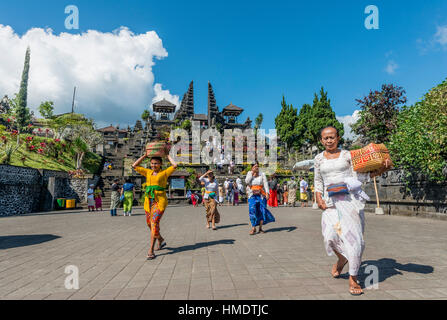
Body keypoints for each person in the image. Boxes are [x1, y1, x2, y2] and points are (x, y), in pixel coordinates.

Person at [314, 126, 390, 296]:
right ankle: (342, 258)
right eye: (325, 138)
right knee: (329, 237)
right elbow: (318, 180)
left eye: (332, 137)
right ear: (321, 140)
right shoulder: (318, 158)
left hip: (350, 202)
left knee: (354, 240)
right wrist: (318, 198)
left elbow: (361, 175)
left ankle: (353, 278)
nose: (329, 141)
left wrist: (381, 169)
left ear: (338, 138)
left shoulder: (348, 155)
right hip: (330, 203)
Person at [132, 150, 177, 260]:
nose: (153, 165)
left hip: (159, 202)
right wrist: (144, 155)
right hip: (149, 201)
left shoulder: (164, 173)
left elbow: (175, 165)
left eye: (156, 163)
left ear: (160, 164)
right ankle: (161, 240)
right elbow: (134, 165)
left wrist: (167, 155)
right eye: (152, 163)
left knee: (154, 222)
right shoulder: (147, 172)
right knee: (149, 224)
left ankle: (151, 250)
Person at [245, 162, 275, 235]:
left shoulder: (262, 174)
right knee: (252, 210)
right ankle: (253, 227)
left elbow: (265, 184)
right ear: (252, 167)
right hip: (252, 195)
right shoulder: (249, 173)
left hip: (261, 195)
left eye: (257, 166)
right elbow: (246, 182)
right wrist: (252, 174)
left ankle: (260, 228)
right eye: (255, 166)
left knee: (261, 210)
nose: (257, 167)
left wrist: (267, 193)